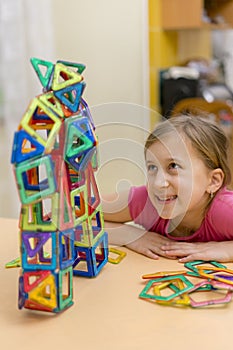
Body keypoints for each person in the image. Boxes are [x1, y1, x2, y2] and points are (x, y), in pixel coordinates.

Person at [102, 114, 233, 263]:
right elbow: (75, 217)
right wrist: (130, 235)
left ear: (213, 181)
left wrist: (227, 250)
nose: (158, 183)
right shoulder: (146, 201)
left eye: (173, 166)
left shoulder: (225, 210)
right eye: (152, 167)